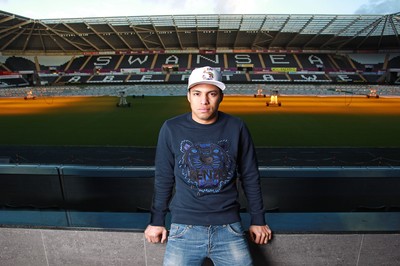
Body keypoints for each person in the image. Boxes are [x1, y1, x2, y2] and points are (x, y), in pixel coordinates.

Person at [144, 66, 272, 266]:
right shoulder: (171, 128)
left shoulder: (236, 127)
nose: (204, 101)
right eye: (197, 94)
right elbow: (164, 177)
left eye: (211, 94)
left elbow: (250, 176)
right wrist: (157, 220)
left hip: (229, 227)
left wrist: (258, 219)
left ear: (221, 96)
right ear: (188, 96)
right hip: (183, 228)